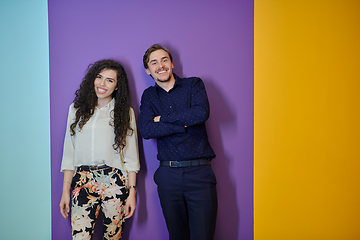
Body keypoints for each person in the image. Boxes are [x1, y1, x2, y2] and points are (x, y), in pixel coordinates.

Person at [139, 44, 218, 240]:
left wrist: (162, 119)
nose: (160, 65)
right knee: (177, 236)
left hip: (200, 173)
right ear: (148, 71)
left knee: (204, 236)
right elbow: (147, 130)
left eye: (164, 60)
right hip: (168, 175)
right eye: (154, 62)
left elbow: (201, 114)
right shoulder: (149, 96)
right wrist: (183, 125)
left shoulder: (194, 84)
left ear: (172, 64)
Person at [59, 59, 140, 239]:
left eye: (110, 80)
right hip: (82, 180)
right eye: (99, 77)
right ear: (92, 79)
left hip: (114, 182)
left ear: (117, 86)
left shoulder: (126, 113)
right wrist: (65, 191)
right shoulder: (76, 110)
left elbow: (131, 157)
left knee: (113, 237)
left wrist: (132, 191)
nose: (102, 84)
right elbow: (69, 152)